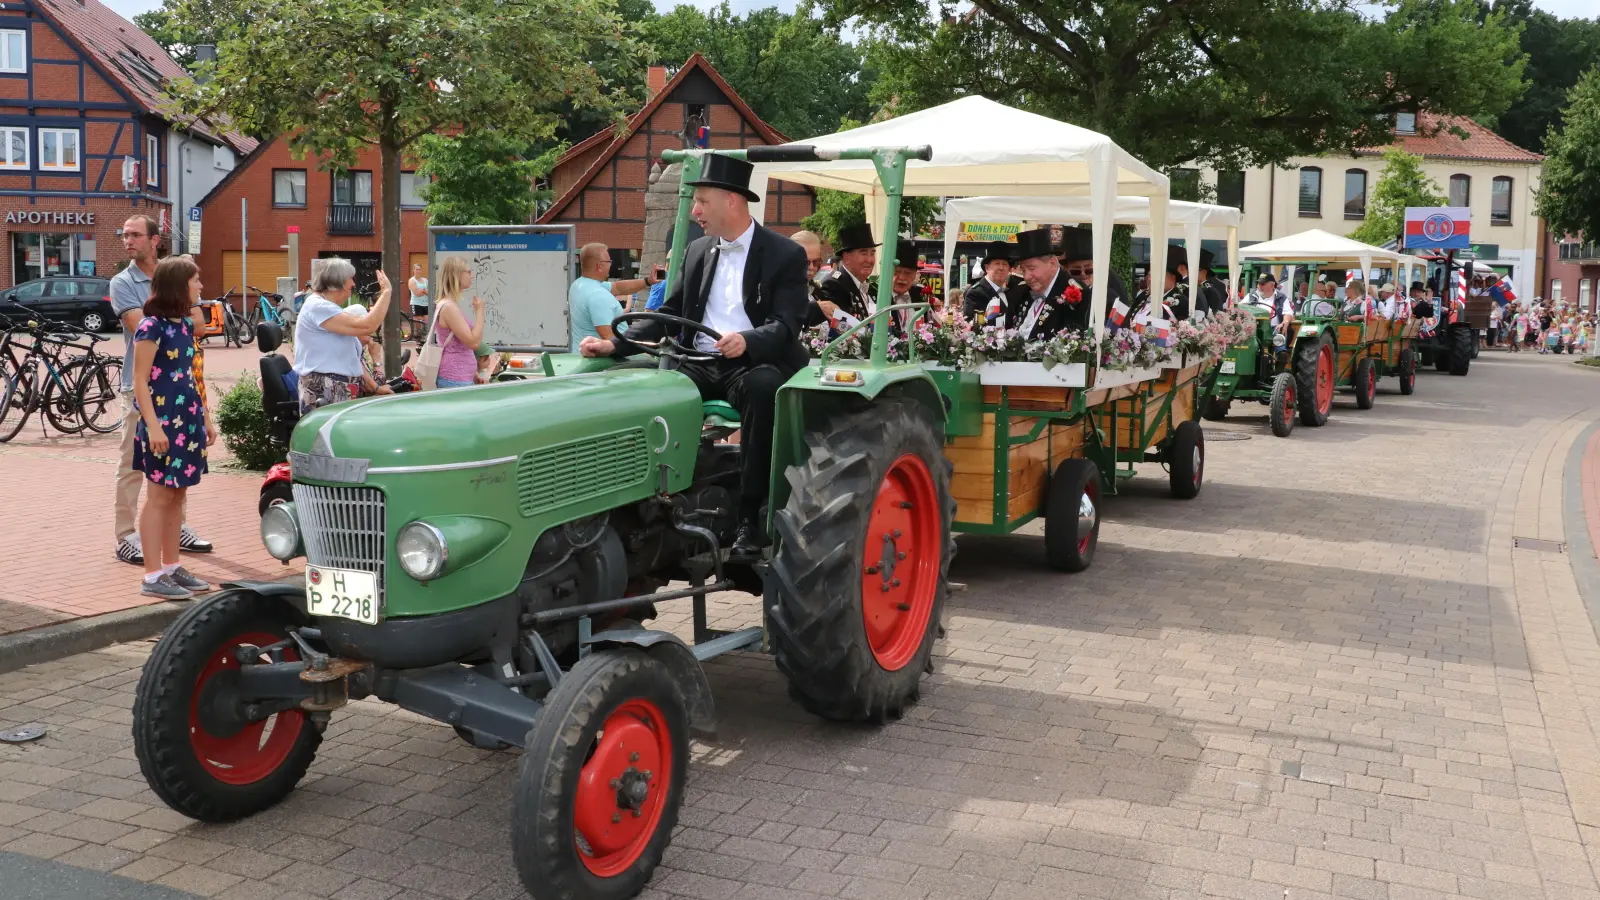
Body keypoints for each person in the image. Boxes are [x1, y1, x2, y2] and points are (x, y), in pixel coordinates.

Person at [577, 154, 807, 556]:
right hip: (699, 361)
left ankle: (752, 517)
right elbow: (669, 312)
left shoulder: (784, 254)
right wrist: (617, 345)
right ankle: (639, 505)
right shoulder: (699, 251)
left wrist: (748, 340)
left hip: (750, 363)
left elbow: (787, 325)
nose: (696, 210)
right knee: (648, 387)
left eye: (702, 201)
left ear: (731, 200)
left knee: (762, 388)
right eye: (695, 201)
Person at [111, 215, 212, 566]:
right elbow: (143, 327)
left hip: (178, 395)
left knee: (176, 469)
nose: (128, 241)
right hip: (140, 389)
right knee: (132, 464)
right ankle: (126, 536)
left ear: (155, 240)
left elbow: (198, 326)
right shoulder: (123, 282)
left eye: (136, 235)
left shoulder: (176, 272)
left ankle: (176, 530)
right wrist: (175, 314)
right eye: (125, 235)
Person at [129, 256, 217, 599]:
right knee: (159, 496)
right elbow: (139, 382)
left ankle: (171, 566)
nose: (200, 287)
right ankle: (152, 577)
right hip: (161, 423)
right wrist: (153, 427)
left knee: (177, 494)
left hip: (186, 419)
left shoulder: (182, 326)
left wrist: (206, 417)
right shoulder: (151, 327)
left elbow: (190, 376)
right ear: (179, 285)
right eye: (195, 281)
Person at [293, 258, 392, 413]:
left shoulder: (326, 307)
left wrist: (374, 386)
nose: (353, 284)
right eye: (350, 279)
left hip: (334, 389)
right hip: (325, 391)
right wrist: (386, 292)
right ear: (335, 282)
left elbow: (352, 356)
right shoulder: (318, 306)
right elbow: (367, 326)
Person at [568, 243, 662, 351]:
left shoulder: (579, 285)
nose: (611, 264)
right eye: (609, 262)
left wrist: (648, 281)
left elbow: (618, 287)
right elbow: (609, 339)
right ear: (599, 266)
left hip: (582, 356)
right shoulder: (598, 295)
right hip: (607, 364)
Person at [1003, 227, 1090, 339]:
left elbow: (1071, 346)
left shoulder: (1076, 293)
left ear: (1053, 264)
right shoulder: (1021, 292)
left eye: (1031, 268)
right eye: (1023, 270)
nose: (1026, 276)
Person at [428, 256, 490, 389]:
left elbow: (459, 345)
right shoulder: (449, 307)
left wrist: (473, 374)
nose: (471, 276)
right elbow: (473, 343)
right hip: (455, 378)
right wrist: (479, 312)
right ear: (456, 274)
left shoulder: (449, 305)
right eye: (468, 272)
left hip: (460, 377)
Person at [813, 223, 878, 327]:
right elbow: (841, 329)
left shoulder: (872, 289)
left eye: (872, 253)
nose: (869, 260)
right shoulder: (834, 285)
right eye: (864, 253)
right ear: (846, 258)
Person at [963, 241, 1013, 324]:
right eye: (997, 263)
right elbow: (971, 327)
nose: (1001, 268)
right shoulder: (976, 293)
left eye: (1004, 264)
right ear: (987, 268)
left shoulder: (1011, 290)